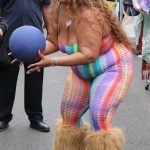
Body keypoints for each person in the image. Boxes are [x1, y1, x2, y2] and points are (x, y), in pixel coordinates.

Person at [28, 0, 134, 149]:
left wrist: (51, 61)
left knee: (99, 116)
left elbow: (88, 54)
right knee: (69, 116)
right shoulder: (58, 7)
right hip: (81, 71)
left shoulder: (88, 13)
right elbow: (53, 41)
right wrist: (28, 51)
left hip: (113, 67)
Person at [0, 0, 51, 132]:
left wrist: (50, 33)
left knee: (35, 80)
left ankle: (36, 118)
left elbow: (46, 8)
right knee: (6, 80)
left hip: (34, 40)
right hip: (9, 38)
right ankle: (2, 117)